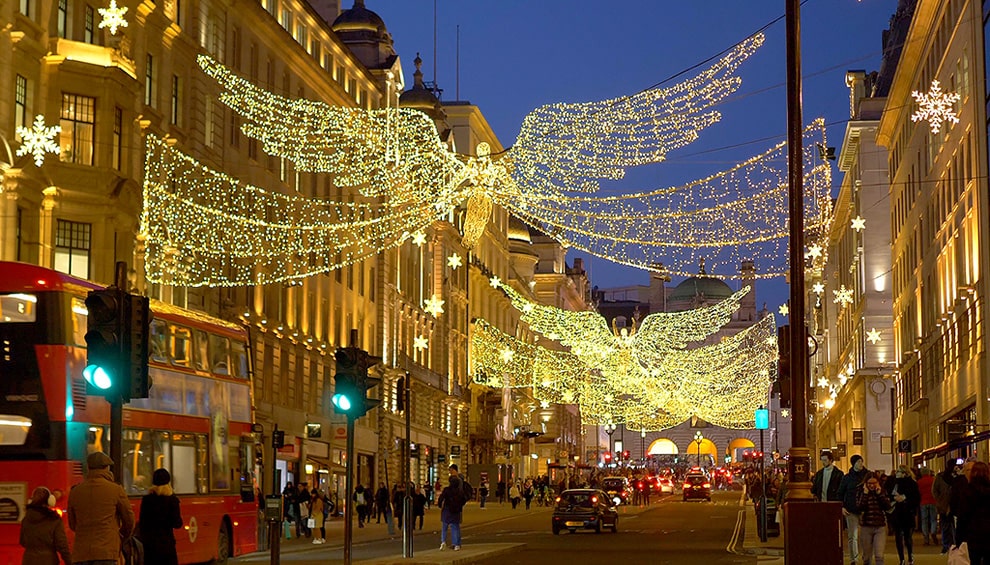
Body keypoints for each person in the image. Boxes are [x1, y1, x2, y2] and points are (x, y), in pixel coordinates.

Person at [67, 452, 135, 565]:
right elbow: (129, 520)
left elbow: (72, 524)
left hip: (81, 553)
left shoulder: (75, 492)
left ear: (88, 468)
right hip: (106, 551)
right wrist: (120, 537)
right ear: (107, 468)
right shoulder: (115, 490)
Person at [138, 468, 184, 565]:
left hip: (150, 547)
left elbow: (142, 523)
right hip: (167, 546)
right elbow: (177, 523)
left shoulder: (147, 500)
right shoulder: (172, 500)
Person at [19, 486, 71, 565]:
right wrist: (69, 561)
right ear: (50, 501)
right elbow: (62, 545)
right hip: (48, 560)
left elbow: (22, 542)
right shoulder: (54, 520)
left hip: (28, 560)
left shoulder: (26, 520)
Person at [836, 454, 869, 565]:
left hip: (866, 509)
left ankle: (866, 557)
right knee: (852, 536)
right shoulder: (847, 478)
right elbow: (840, 493)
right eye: (858, 462)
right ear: (853, 463)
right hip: (851, 510)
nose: (861, 464)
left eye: (861, 461)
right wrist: (842, 507)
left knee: (866, 536)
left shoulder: (868, 475)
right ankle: (854, 559)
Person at [957, 461, 990, 565]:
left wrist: (959, 539)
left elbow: (962, 516)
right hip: (989, 534)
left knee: (973, 561)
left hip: (973, 535)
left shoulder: (967, 491)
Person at [885, 465, 919, 565]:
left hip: (907, 513)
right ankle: (901, 559)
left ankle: (910, 556)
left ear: (905, 473)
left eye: (899, 471)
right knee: (898, 537)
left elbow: (916, 498)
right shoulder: (894, 483)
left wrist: (905, 498)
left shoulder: (912, 484)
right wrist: (894, 498)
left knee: (908, 537)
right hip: (897, 513)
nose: (897, 473)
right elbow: (889, 494)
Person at [856, 473, 892, 565]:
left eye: (874, 483)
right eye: (869, 483)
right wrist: (865, 494)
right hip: (866, 526)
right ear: (865, 483)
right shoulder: (861, 491)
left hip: (880, 526)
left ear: (878, 482)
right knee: (867, 557)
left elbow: (887, 506)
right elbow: (859, 507)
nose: (871, 485)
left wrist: (880, 494)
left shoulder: (882, 491)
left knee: (879, 555)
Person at [934, 461, 959, 553]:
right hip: (944, 505)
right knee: (947, 524)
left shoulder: (955, 476)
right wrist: (940, 500)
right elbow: (935, 490)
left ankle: (951, 543)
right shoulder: (941, 477)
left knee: (950, 525)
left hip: (953, 504)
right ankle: (948, 544)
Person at [438, 475, 466, 551]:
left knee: (444, 526)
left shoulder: (447, 490)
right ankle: (456, 544)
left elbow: (441, 498)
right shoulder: (460, 491)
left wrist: (440, 505)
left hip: (447, 509)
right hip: (456, 511)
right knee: (455, 527)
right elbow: (464, 500)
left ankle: (443, 542)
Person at [917, 467, 938, 546]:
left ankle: (926, 538)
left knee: (924, 521)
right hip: (933, 501)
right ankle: (933, 532)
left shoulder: (919, 482)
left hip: (923, 502)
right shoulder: (933, 480)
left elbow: (918, 492)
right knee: (933, 519)